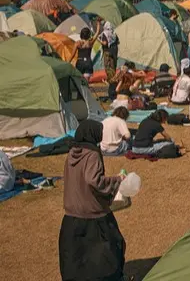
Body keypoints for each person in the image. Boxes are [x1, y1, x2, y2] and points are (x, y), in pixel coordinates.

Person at [59, 119, 127, 281]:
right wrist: (117, 179)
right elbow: (94, 181)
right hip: (93, 212)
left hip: (72, 213)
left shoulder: (72, 152)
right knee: (111, 247)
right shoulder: (92, 154)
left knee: (77, 255)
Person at [98, 21, 119, 101]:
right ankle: (113, 90)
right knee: (113, 72)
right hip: (114, 55)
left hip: (108, 55)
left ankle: (112, 92)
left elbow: (105, 43)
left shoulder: (105, 33)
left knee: (109, 73)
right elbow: (118, 42)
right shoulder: (114, 34)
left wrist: (98, 40)